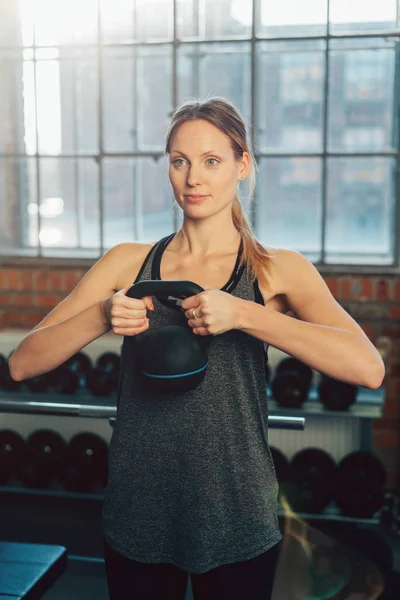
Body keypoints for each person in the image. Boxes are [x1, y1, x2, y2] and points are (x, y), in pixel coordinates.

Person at [9, 97, 385, 600]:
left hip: (236, 512)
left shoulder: (276, 269)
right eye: (179, 161)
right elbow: (23, 363)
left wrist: (245, 314)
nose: (193, 179)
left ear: (242, 165)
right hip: (138, 509)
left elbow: (368, 368)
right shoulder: (127, 263)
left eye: (212, 161)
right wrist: (101, 315)